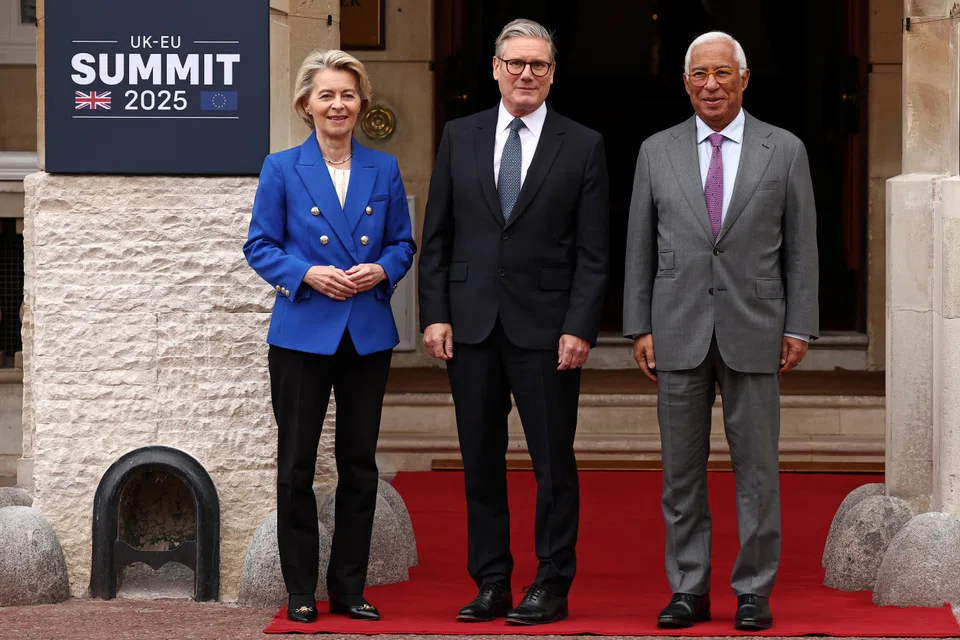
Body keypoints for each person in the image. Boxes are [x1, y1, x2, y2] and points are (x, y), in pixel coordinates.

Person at [623, 31, 819, 631]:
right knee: (680, 472)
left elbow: (802, 248)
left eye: (722, 73)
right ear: (686, 82)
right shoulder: (656, 150)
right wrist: (638, 325)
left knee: (757, 470)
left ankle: (754, 591)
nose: (711, 84)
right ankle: (688, 588)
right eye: (700, 74)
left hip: (756, 326)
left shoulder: (783, 149)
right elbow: (639, 247)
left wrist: (801, 326)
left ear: (743, 78)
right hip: (676, 326)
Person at [418, 18, 609, 626]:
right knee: (480, 459)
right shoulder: (460, 135)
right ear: (496, 69)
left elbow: (594, 250)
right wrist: (435, 313)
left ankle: (551, 584)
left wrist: (581, 324)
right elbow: (439, 234)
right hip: (470, 328)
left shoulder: (582, 144)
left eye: (540, 65)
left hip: (549, 330)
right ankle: (492, 581)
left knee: (553, 462)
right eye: (516, 63)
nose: (527, 73)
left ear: (553, 74)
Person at [243, 49, 416, 624]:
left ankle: (348, 587)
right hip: (303, 332)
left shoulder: (383, 168)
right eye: (326, 95)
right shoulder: (281, 167)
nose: (337, 104)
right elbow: (260, 245)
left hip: (365, 331)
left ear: (361, 103)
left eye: (347, 94)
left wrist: (383, 269)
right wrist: (306, 273)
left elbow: (402, 244)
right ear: (305, 104)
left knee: (359, 465)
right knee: (295, 465)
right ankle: (299, 589)